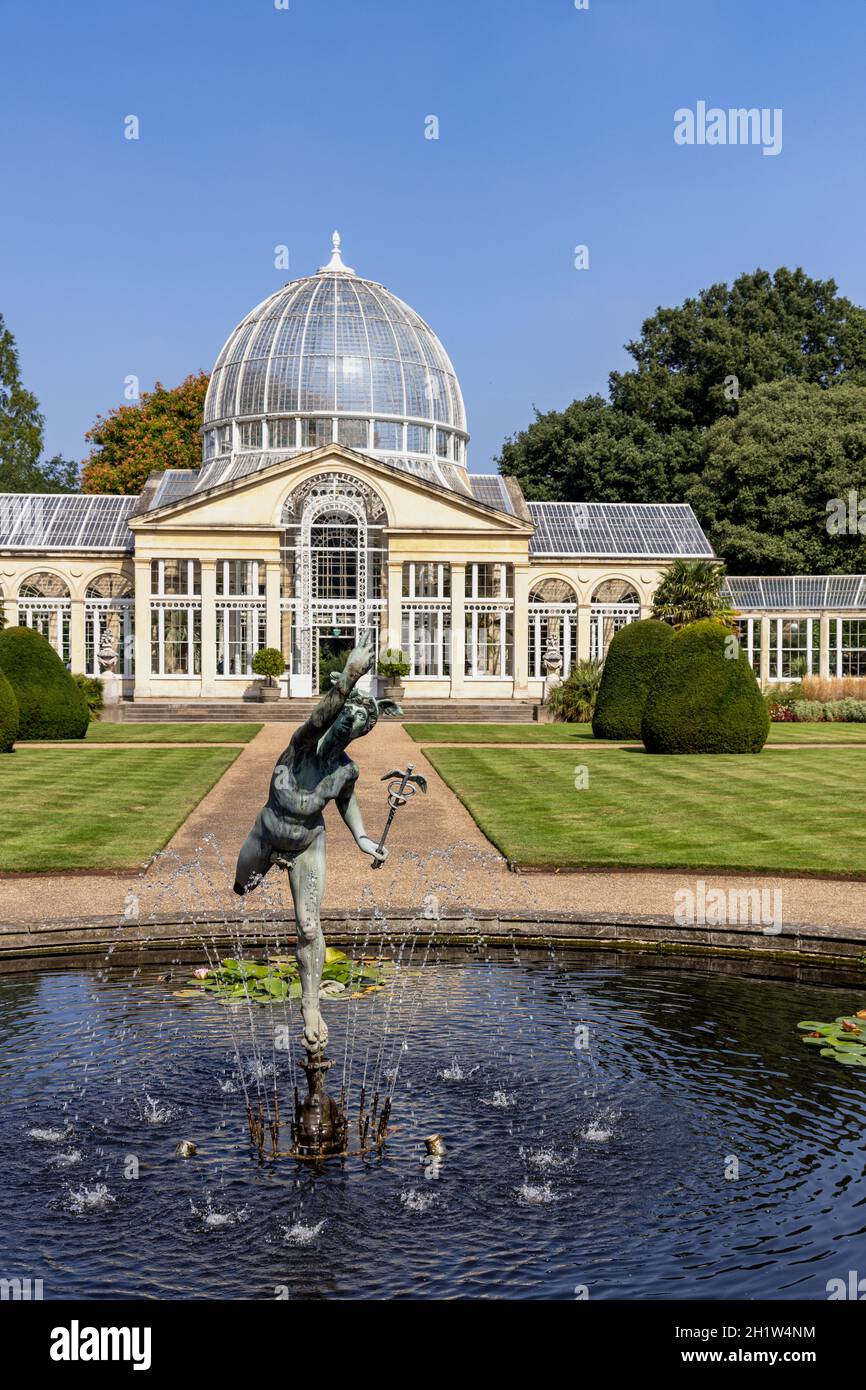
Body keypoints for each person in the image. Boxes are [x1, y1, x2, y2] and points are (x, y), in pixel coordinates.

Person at [233, 629, 399, 1054]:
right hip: (266, 834)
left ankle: (310, 1006)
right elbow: (319, 718)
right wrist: (347, 678)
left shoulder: (346, 769)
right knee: (242, 889)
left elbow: (346, 801)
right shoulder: (303, 746)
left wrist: (362, 838)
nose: (349, 730)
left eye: (359, 728)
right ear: (340, 713)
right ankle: (257, 879)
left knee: (309, 925)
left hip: (309, 842)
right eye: (348, 720)